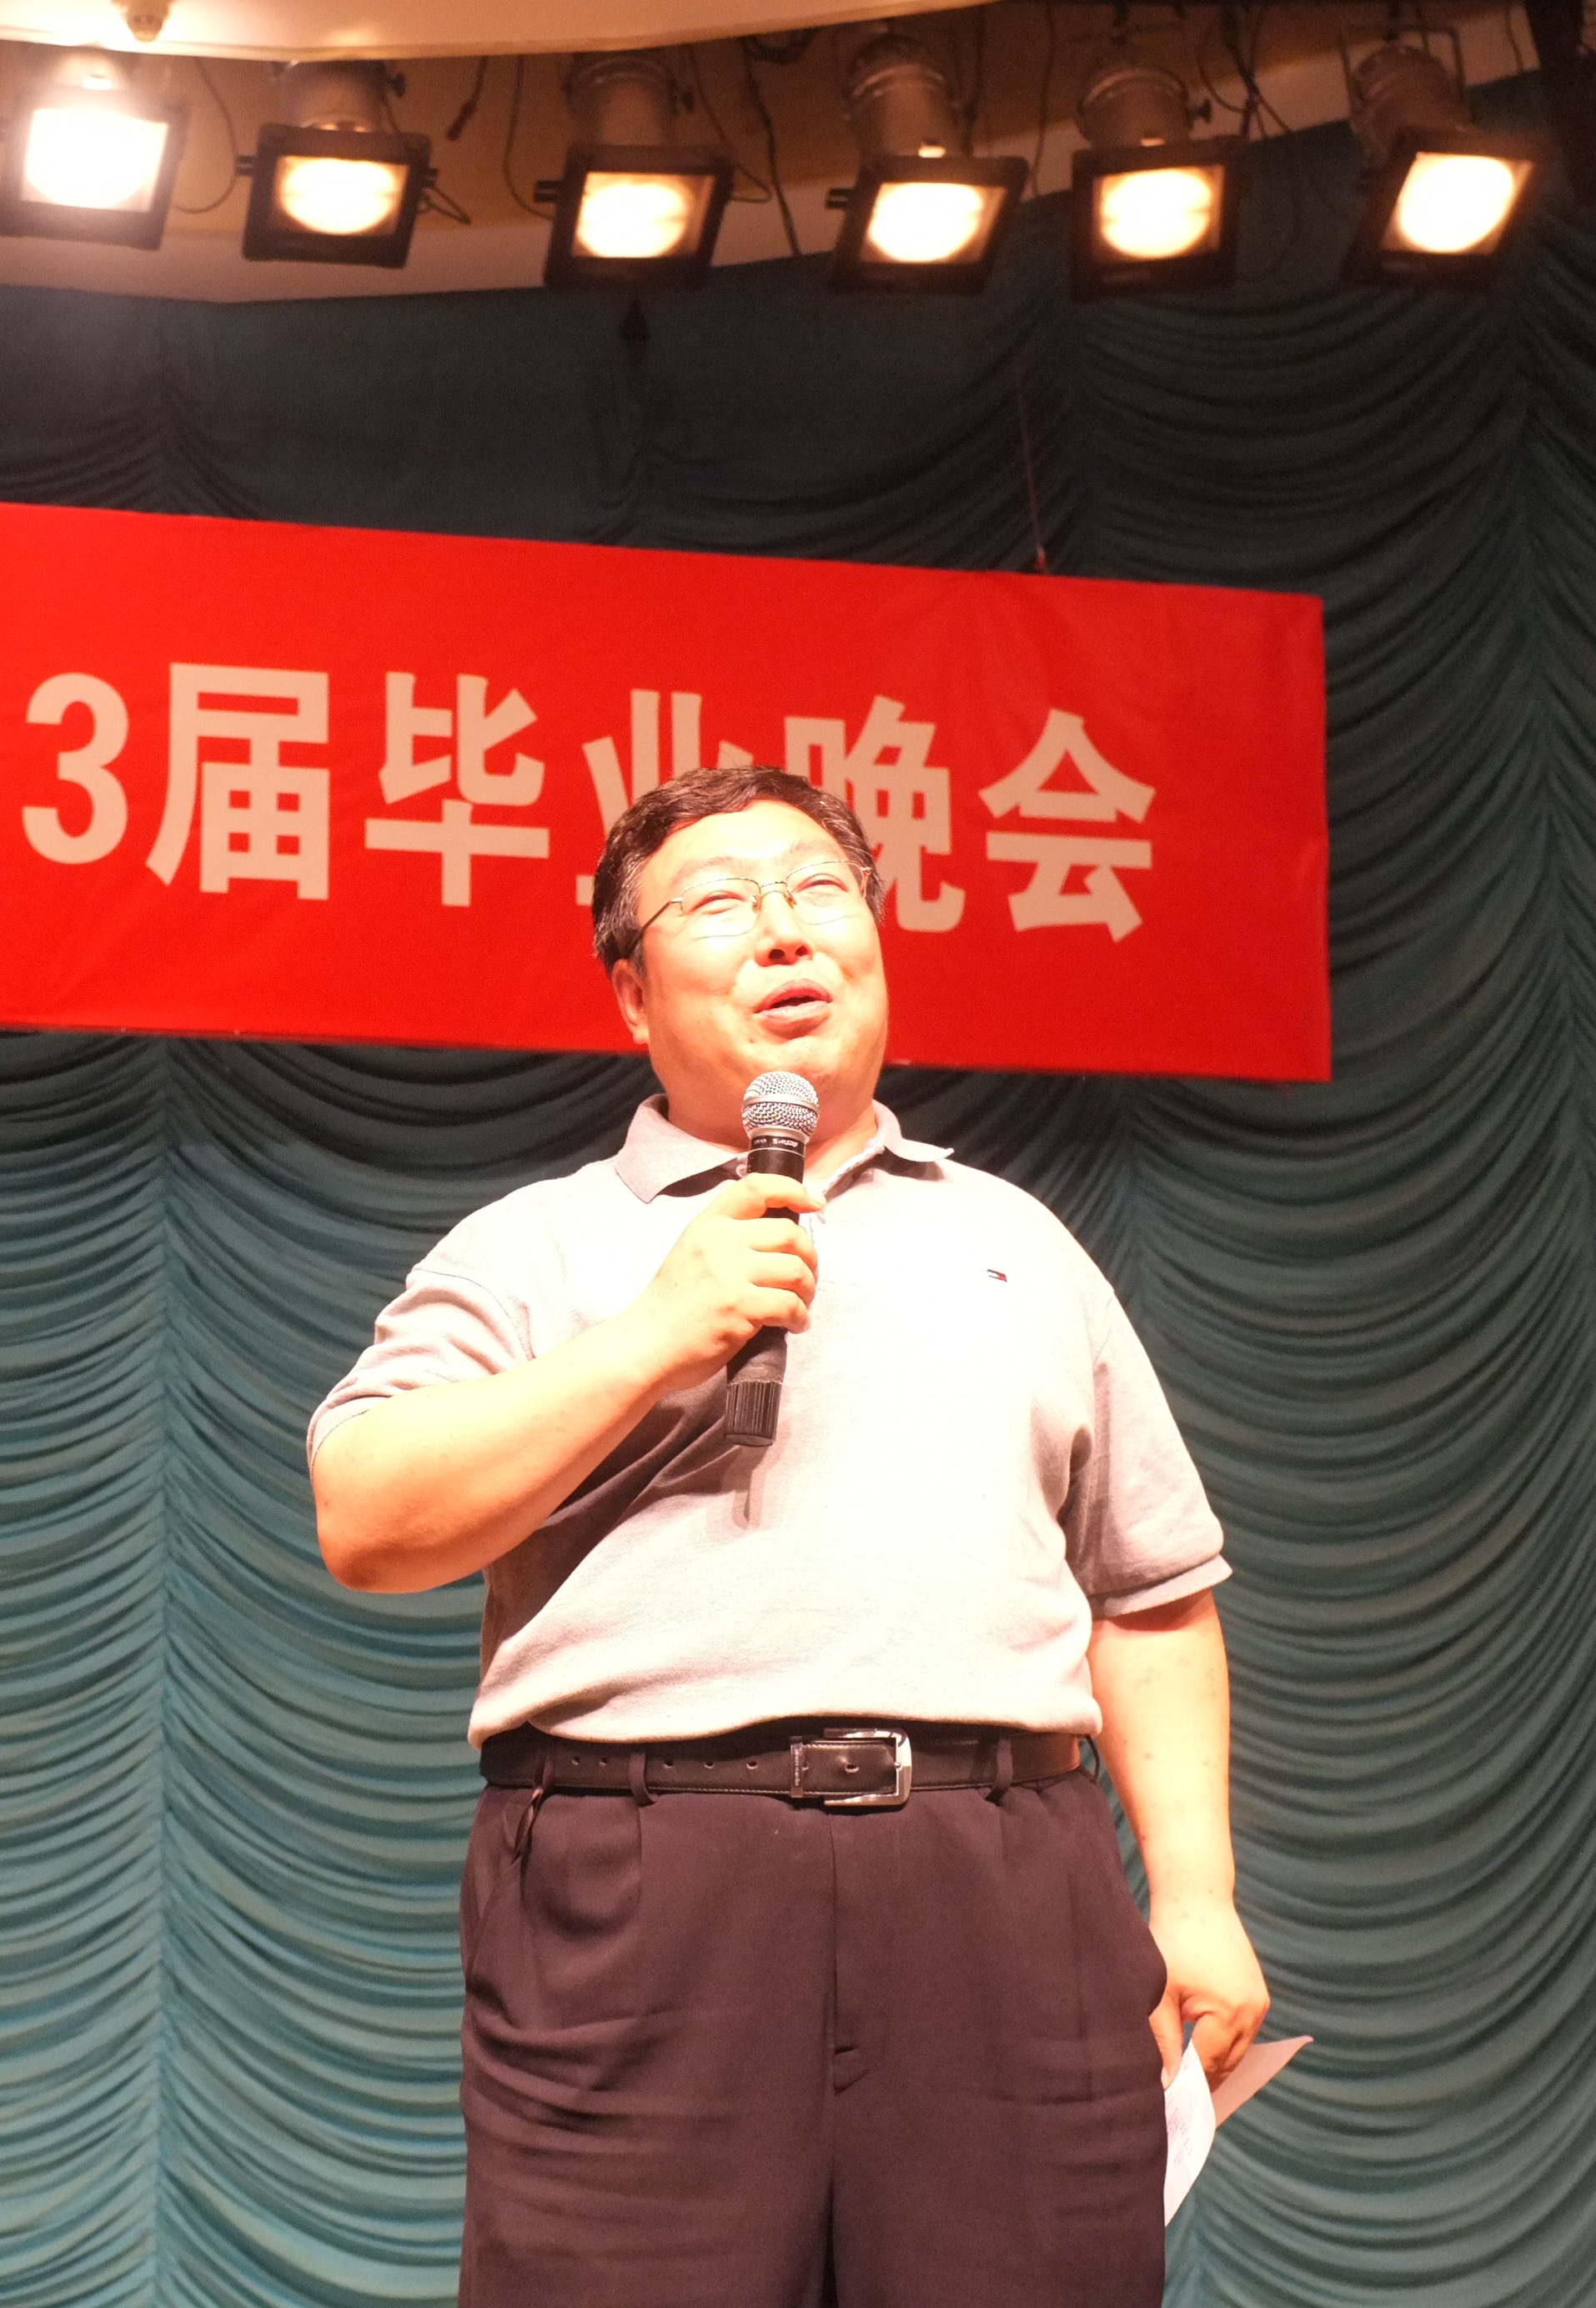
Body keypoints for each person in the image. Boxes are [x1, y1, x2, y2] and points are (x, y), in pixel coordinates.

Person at [309, 764, 1267, 2308]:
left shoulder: (1017, 1241)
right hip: (648, 1885)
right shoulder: (538, 1246)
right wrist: (652, 1335)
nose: (784, 931)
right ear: (631, 995)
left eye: (820, 892)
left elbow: (1149, 1594)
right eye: (720, 904)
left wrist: (1199, 1898)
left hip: (1001, 1880)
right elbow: (368, 1519)